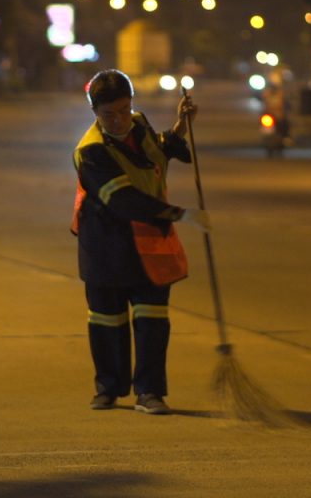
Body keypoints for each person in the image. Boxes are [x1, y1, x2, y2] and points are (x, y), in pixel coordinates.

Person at [70, 69, 210, 415]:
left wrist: (179, 126)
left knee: (152, 321)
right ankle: (108, 388)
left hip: (149, 244)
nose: (118, 120)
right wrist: (180, 214)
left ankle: (149, 392)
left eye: (123, 109)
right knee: (106, 320)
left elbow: (156, 154)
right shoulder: (91, 152)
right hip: (105, 245)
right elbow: (123, 201)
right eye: (109, 114)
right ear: (94, 111)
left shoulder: (138, 124)